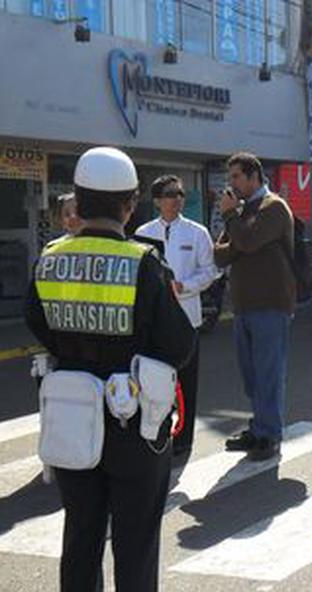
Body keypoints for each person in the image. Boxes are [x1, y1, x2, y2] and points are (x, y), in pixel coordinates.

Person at [24, 147, 195, 592]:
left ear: (80, 200)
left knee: (81, 538)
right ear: (128, 205)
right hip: (132, 426)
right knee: (136, 542)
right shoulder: (145, 263)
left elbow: (37, 324)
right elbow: (180, 344)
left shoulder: (49, 257)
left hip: (73, 421)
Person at [213, 152, 296, 462]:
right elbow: (220, 255)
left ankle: (269, 435)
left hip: (271, 303)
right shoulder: (242, 212)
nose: (230, 184)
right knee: (251, 374)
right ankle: (259, 426)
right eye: (229, 177)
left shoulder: (273, 207)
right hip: (244, 305)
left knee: (268, 372)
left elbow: (246, 243)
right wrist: (236, 227)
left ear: (253, 176)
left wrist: (234, 222)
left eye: (235, 177)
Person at [136, 175, 217, 459]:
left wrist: (187, 286)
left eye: (181, 194)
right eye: (170, 194)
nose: (177, 199)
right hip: (154, 321)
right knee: (153, 381)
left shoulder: (197, 232)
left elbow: (210, 271)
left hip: (187, 318)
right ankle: (156, 434)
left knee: (187, 382)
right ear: (157, 201)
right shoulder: (143, 233)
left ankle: (183, 441)